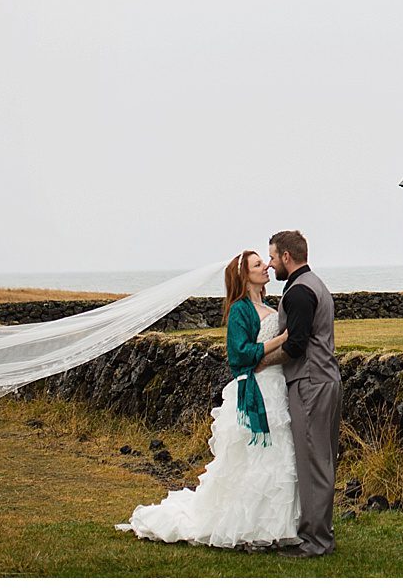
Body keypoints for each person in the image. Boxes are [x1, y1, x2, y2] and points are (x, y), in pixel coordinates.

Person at [115, 250, 300, 548]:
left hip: (275, 387)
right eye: (257, 265)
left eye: (264, 263)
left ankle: (274, 525)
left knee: (277, 454)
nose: (266, 266)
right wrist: (281, 339)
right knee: (253, 457)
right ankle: (246, 525)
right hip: (257, 389)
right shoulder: (240, 310)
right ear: (244, 275)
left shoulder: (266, 305)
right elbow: (238, 354)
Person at [260, 229, 342, 558]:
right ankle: (320, 531)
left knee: (312, 461)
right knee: (322, 459)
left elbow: (295, 346)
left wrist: (262, 362)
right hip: (325, 379)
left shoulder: (297, 292)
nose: (270, 263)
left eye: (273, 256)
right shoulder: (315, 284)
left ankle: (315, 542)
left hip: (310, 382)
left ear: (287, 258)